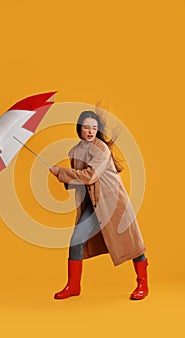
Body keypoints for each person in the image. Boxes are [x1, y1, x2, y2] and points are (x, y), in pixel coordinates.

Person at [49, 111, 149, 300]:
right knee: (76, 240)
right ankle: (73, 286)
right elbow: (79, 181)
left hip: (113, 202)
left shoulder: (101, 148)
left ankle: (143, 283)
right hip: (94, 203)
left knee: (132, 244)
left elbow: (90, 176)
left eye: (94, 128)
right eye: (87, 127)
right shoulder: (76, 150)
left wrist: (62, 172)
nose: (90, 131)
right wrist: (60, 175)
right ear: (80, 128)